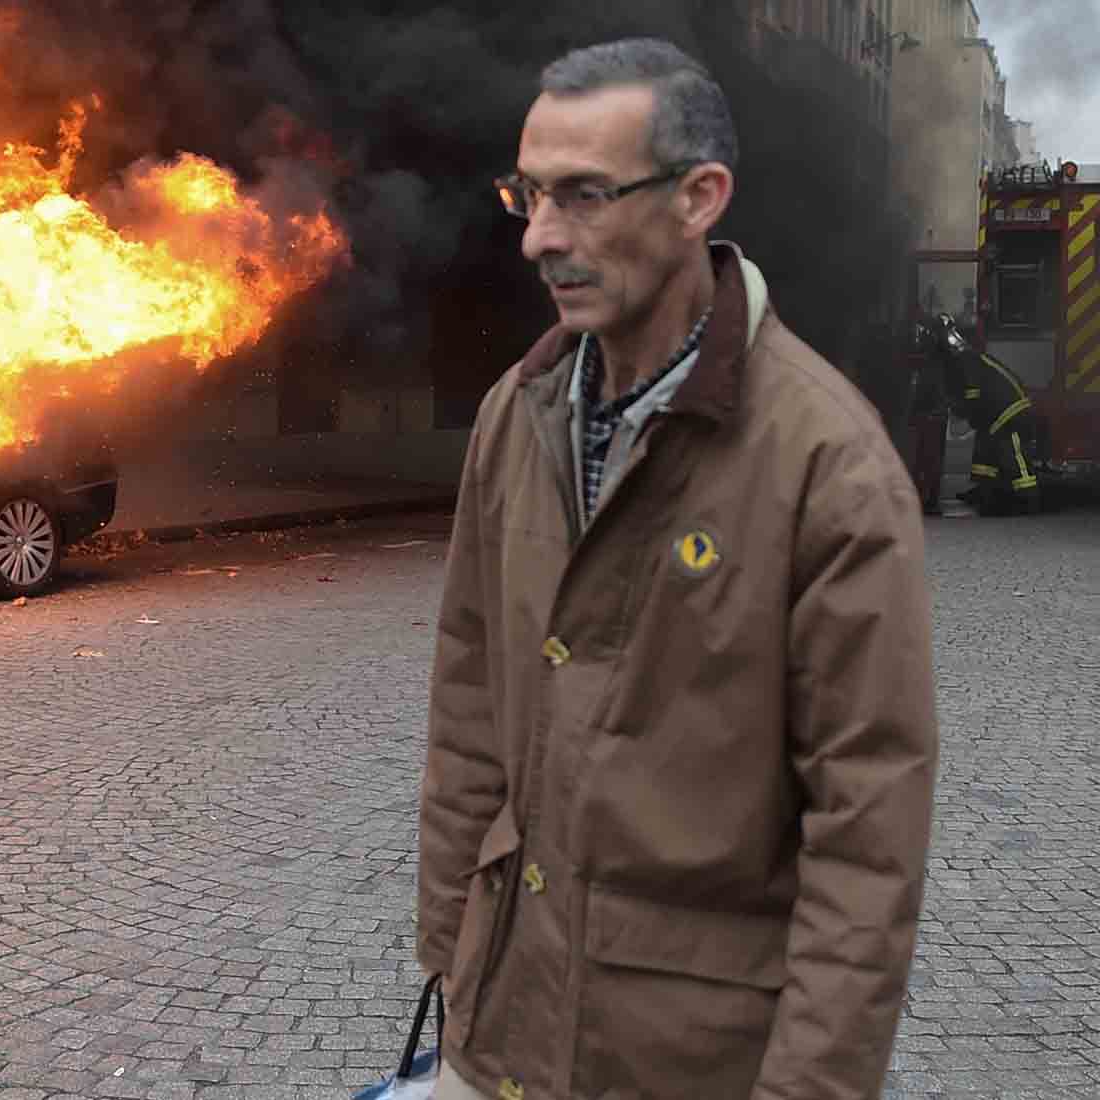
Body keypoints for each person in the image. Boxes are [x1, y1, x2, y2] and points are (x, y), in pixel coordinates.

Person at [416, 39, 938, 1100]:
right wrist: (449, 957)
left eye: (584, 195)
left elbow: (864, 834)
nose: (538, 237)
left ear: (699, 198)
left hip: (689, 1059)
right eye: (527, 193)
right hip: (497, 1030)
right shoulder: (515, 417)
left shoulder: (827, 463)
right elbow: (468, 698)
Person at [916, 312, 1045, 515]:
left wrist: (966, 409)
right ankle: (984, 491)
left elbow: (972, 392)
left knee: (1012, 453)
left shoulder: (963, 359)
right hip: (995, 412)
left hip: (1010, 412)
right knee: (984, 451)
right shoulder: (964, 357)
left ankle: (1028, 496)